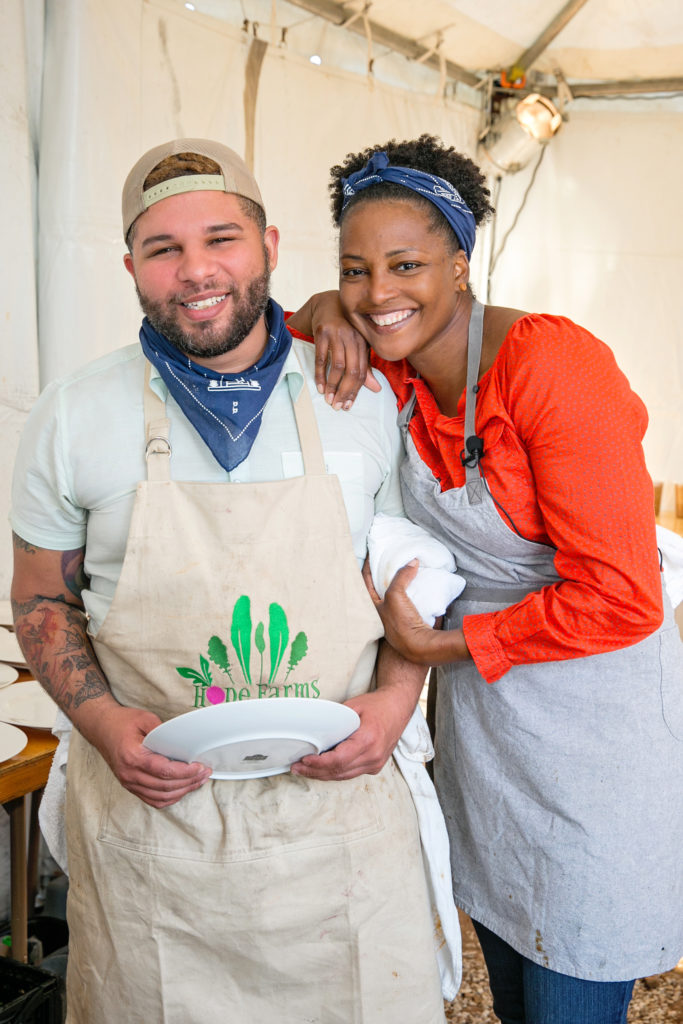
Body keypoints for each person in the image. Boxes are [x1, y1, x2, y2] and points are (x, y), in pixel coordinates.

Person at [9, 139, 449, 1023]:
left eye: (222, 238)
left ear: (272, 246)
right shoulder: (73, 413)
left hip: (340, 834)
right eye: (163, 248)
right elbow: (40, 599)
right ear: (129, 264)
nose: (196, 270)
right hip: (155, 848)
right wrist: (98, 722)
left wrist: (396, 702)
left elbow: (419, 572)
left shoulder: (361, 396)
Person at [287, 133, 683, 1024]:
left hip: (594, 731)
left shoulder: (551, 367)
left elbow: (624, 595)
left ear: (460, 264)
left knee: (569, 988)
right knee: (510, 982)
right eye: (355, 269)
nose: (379, 293)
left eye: (405, 265)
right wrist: (320, 307)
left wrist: (438, 643)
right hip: (490, 730)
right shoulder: (393, 361)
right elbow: (262, 335)